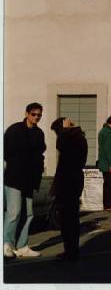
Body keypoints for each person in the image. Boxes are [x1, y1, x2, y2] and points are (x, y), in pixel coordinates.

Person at [3, 103, 46, 258]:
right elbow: (6, 152)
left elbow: (40, 154)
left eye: (39, 115)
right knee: (13, 213)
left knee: (28, 214)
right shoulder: (14, 130)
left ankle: (22, 247)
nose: (36, 117)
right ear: (27, 113)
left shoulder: (39, 133)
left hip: (29, 180)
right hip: (14, 178)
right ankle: (6, 244)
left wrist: (38, 173)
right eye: (34, 114)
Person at [50, 117, 88, 261]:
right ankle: (71, 250)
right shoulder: (77, 137)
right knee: (69, 217)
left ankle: (71, 251)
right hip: (72, 180)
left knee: (68, 218)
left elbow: (61, 146)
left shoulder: (72, 138)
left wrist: (64, 130)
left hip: (69, 181)